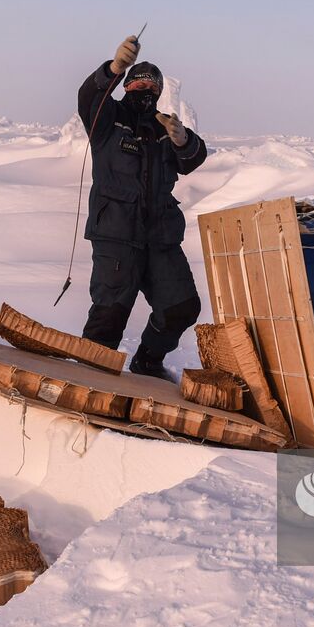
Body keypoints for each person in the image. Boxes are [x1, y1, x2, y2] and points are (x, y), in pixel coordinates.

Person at [76, 34, 208, 381]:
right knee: (109, 315)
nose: (144, 87)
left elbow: (193, 159)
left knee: (181, 307)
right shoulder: (108, 119)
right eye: (137, 80)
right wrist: (114, 68)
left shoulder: (164, 127)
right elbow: (89, 97)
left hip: (160, 238)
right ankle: (92, 380)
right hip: (117, 234)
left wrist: (183, 139)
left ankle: (148, 362)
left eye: (151, 84)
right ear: (127, 84)